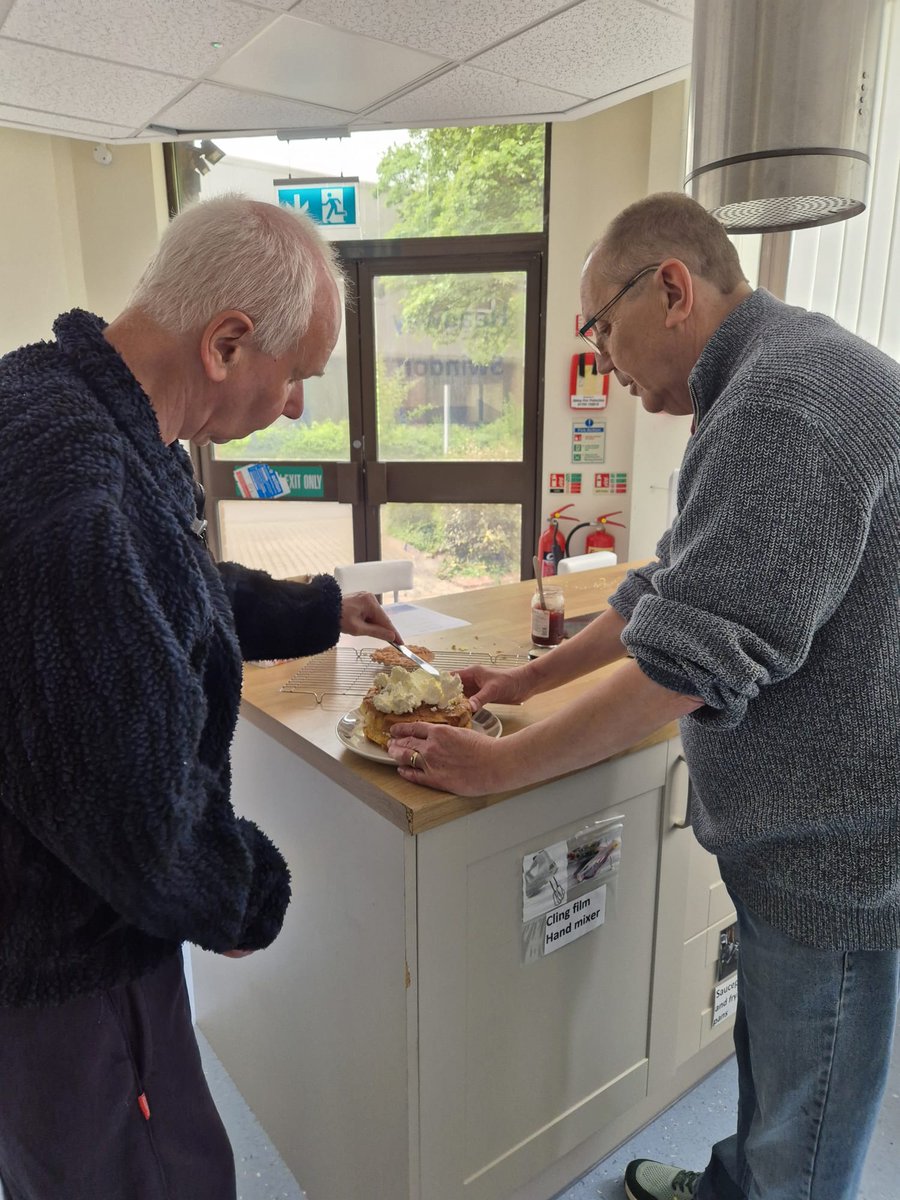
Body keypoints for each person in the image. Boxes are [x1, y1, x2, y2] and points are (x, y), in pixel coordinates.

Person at [387, 192, 900, 1200]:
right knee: (776, 1073)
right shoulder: (777, 370)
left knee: (807, 1121)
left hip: (837, 851)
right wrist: (527, 680)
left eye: (599, 327)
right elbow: (674, 588)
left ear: (671, 289)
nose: (601, 360)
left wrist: (498, 763)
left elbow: (684, 667)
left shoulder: (779, 405)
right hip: (800, 836)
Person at [0, 194, 398, 1200]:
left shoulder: (56, 409)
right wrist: (243, 892)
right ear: (227, 343)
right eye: (298, 374)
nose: (298, 404)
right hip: (66, 955)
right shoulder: (76, 500)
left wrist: (316, 609)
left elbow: (157, 592)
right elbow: (132, 818)